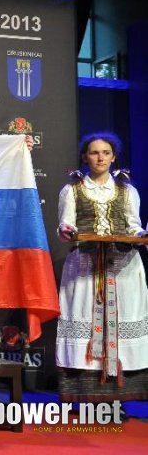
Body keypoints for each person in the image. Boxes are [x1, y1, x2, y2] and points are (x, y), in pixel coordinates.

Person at [56, 133, 148, 402]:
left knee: (121, 321)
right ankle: (85, 397)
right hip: (85, 265)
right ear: (85, 157)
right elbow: (65, 224)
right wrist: (67, 231)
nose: (100, 158)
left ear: (114, 156)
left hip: (123, 266)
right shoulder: (71, 189)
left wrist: (142, 235)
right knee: (85, 318)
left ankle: (118, 396)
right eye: (94, 153)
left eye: (106, 153)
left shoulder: (127, 190)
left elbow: (133, 225)